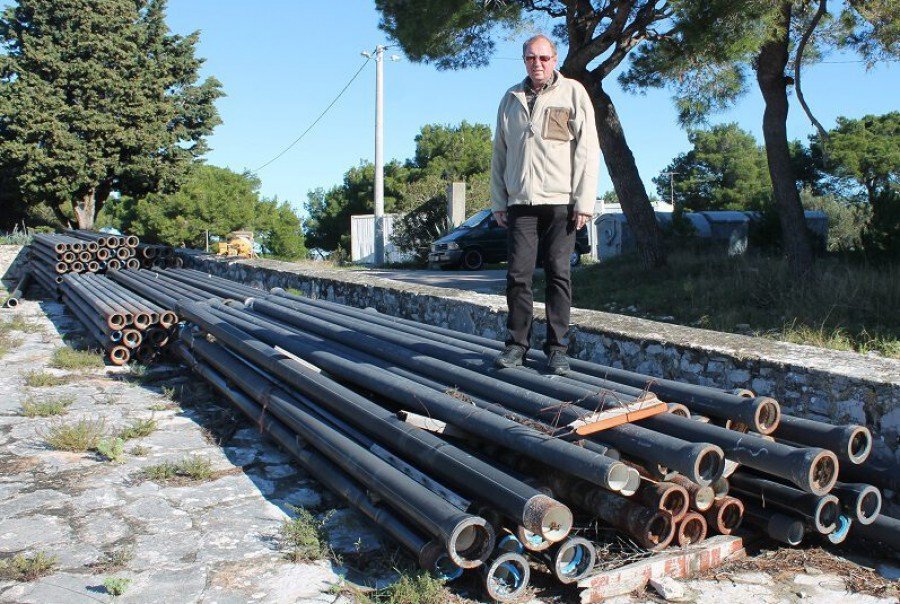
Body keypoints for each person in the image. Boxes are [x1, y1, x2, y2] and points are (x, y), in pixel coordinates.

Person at [490, 34, 600, 374]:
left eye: (543, 58)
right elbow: (499, 153)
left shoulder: (573, 93)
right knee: (518, 276)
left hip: (561, 203)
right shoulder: (510, 98)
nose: (537, 64)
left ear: (555, 59)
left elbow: (587, 151)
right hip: (521, 202)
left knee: (558, 274)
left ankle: (557, 349)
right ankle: (516, 346)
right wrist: (499, 200)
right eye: (530, 58)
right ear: (523, 60)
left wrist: (584, 201)